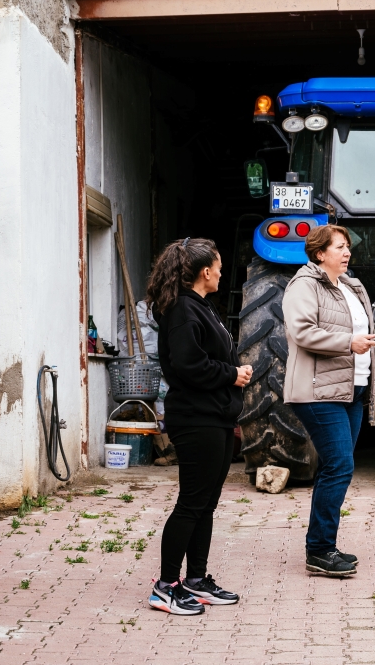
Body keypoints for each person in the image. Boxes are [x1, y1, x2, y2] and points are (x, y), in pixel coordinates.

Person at [283, 225, 375, 577]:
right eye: (339, 247)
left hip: (351, 390)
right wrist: (349, 343)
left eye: (348, 247)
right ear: (320, 253)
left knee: (335, 467)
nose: (347, 253)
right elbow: (302, 332)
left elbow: (361, 333)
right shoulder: (303, 286)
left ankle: (322, 544)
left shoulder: (351, 286)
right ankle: (319, 550)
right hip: (318, 392)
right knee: (339, 466)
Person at [146, 237, 253, 615]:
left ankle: (195, 579)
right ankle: (165, 586)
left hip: (216, 416)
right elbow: (188, 365)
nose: (223, 273)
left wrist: (231, 375)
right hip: (195, 419)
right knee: (191, 504)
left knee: (206, 504)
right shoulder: (182, 311)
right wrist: (232, 374)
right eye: (220, 267)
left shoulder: (200, 307)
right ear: (205, 271)